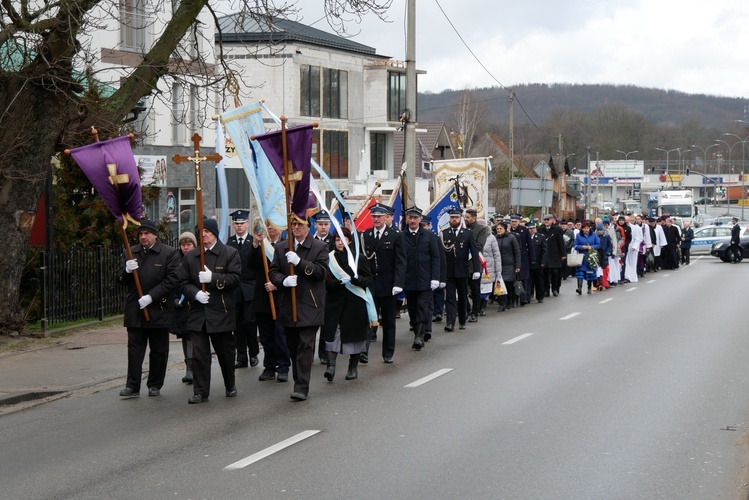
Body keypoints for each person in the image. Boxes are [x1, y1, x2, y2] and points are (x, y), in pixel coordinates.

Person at [179, 218, 241, 403]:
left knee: (225, 353)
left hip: (220, 311)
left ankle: (230, 384)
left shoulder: (229, 253)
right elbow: (182, 282)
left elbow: (235, 279)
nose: (204, 234)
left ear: (215, 233)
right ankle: (200, 391)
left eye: (208, 231)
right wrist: (195, 293)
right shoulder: (191, 257)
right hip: (198, 313)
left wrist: (213, 278)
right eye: (201, 231)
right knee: (199, 355)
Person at [117, 219, 180, 398]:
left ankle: (155, 384)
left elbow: (172, 280)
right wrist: (126, 272)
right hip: (135, 310)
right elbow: (120, 280)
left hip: (158, 309)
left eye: (147, 234)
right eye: (140, 234)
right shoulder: (130, 252)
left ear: (155, 235)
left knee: (159, 350)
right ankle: (132, 385)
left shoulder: (168, 253)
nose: (143, 237)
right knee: (135, 350)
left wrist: (151, 296)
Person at [268, 216, 329, 401]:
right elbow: (273, 271)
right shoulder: (282, 247)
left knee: (305, 345)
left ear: (308, 227)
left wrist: (300, 263)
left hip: (310, 305)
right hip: (289, 304)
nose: (296, 228)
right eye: (293, 224)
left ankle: (301, 387)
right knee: (293, 346)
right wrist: (283, 281)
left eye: (299, 224)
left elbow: (321, 272)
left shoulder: (320, 247)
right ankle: (299, 380)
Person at [322, 227, 374, 381]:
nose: (340, 243)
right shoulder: (329, 259)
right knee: (334, 334)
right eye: (338, 240)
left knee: (355, 336)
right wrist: (336, 283)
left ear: (350, 241)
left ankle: (353, 367)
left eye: (344, 240)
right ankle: (331, 367)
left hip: (354, 302)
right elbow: (325, 282)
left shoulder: (359, 258)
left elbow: (369, 279)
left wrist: (358, 280)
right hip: (334, 302)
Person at [361, 203, 406, 363]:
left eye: (379, 216)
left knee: (388, 322)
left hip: (389, 286)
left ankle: (388, 353)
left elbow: (401, 262)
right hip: (371, 285)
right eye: (373, 216)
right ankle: (363, 351)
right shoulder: (365, 235)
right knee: (368, 319)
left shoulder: (395, 235)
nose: (376, 219)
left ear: (386, 217)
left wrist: (398, 283)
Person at [249, 223, 291, 382]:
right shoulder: (261, 245)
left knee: (280, 334)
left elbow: (289, 270)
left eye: (272, 224)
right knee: (266, 336)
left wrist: (277, 283)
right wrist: (255, 245)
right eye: (267, 225)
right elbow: (251, 266)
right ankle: (269, 366)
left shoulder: (287, 245)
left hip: (281, 296)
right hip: (263, 296)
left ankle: (283, 366)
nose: (269, 227)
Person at [401, 206, 441, 347]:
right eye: (410, 218)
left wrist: (436, 277)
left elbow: (435, 257)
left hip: (425, 278)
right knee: (412, 309)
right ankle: (417, 330)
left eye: (415, 218)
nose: (412, 220)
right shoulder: (401, 236)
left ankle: (418, 337)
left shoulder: (429, 236)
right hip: (408, 278)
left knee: (422, 307)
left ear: (420, 219)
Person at [227, 209, 259, 369]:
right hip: (235, 289)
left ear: (247, 224)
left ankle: (253, 353)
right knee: (237, 324)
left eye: (242, 223)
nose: (239, 226)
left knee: (250, 322)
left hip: (249, 288)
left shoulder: (254, 241)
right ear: (233, 225)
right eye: (237, 223)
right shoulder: (229, 242)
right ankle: (241, 356)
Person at [441, 207, 481, 331]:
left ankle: (462, 319)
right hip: (449, 271)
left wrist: (477, 270)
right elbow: (441, 255)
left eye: (456, 217)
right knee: (450, 297)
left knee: (463, 296)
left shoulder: (468, 233)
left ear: (460, 218)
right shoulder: (444, 233)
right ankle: (450, 323)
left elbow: (475, 253)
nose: (454, 219)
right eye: (452, 217)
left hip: (463, 271)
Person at [170, 231, 197, 384]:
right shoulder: (176, 261)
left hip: (195, 303)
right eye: (183, 245)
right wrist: (174, 298)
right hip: (181, 305)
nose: (186, 248)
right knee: (185, 336)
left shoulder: (199, 259)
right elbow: (172, 281)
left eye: (189, 245)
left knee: (193, 336)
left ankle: (194, 368)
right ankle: (189, 368)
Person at [311, 210, 332, 364]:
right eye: (320, 224)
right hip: (311, 286)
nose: (323, 227)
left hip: (328, 286)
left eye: (326, 224)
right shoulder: (310, 241)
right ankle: (308, 353)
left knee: (326, 321)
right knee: (310, 322)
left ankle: (324, 353)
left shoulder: (335, 241)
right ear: (315, 225)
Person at [464, 208, 491, 320]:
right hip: (462, 264)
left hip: (474, 263)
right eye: (465, 217)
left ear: (474, 218)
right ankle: (466, 309)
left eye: (467, 217)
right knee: (463, 290)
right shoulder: (462, 228)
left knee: (475, 290)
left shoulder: (481, 229)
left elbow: (479, 245)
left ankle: (475, 312)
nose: (465, 219)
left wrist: (465, 249)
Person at [537, 214, 566, 297]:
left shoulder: (557, 229)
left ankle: (555, 289)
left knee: (555, 272)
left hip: (555, 254)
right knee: (545, 273)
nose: (546, 221)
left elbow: (561, 242)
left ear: (552, 220)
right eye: (545, 219)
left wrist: (563, 254)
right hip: (545, 254)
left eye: (548, 219)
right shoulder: (540, 229)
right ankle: (546, 290)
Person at [509, 215, 536, 305]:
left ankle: (525, 298)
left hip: (523, 257)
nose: (513, 223)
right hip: (512, 258)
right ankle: (514, 299)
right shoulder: (508, 231)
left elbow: (530, 244)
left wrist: (532, 258)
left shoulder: (524, 231)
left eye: (515, 221)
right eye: (512, 221)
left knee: (524, 278)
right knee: (514, 279)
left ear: (519, 222)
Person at [494, 220, 521, 311]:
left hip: (509, 265)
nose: (498, 230)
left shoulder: (511, 238)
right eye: (497, 229)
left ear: (505, 229)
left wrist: (517, 265)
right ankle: (502, 304)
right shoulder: (495, 238)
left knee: (508, 284)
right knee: (500, 284)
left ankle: (510, 301)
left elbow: (517, 252)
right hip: (498, 265)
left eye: (500, 229)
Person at [479, 219, 501, 315]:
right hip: (476, 267)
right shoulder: (473, 236)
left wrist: (498, 271)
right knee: (476, 289)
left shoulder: (491, 238)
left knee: (486, 288)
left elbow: (497, 255)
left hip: (488, 269)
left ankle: (482, 307)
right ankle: (476, 306)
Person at [573, 220, 601, 295]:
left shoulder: (594, 235)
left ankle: (589, 287)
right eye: (584, 228)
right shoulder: (578, 236)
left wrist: (591, 247)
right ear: (582, 229)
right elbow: (575, 245)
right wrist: (582, 247)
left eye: (587, 228)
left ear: (590, 228)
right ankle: (579, 288)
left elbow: (598, 245)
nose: (586, 230)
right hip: (581, 258)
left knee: (590, 273)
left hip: (591, 257)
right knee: (580, 273)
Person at [528, 223, 547, 303]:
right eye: (530, 228)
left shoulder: (541, 237)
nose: (531, 230)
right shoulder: (526, 237)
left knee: (539, 280)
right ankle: (529, 295)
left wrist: (543, 261)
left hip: (538, 262)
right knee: (529, 281)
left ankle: (540, 296)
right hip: (528, 262)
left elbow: (545, 250)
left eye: (533, 228)